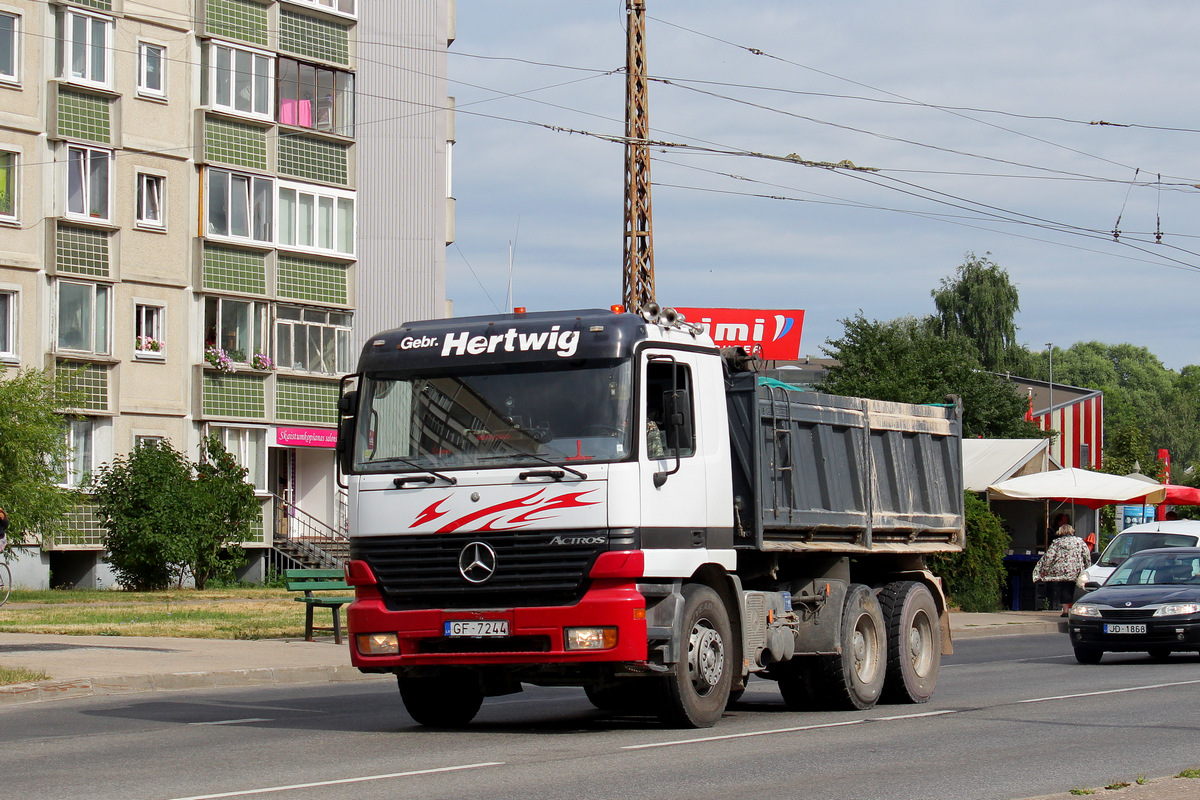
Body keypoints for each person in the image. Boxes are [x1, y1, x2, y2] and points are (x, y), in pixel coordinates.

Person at [1033, 524, 1092, 616]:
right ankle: (1075, 609)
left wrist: (1045, 569)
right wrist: (1087, 567)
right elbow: (1086, 555)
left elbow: (1049, 557)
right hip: (1076, 570)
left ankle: (1065, 611)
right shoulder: (1079, 541)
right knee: (1075, 589)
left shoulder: (1057, 542)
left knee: (1064, 589)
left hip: (1062, 571)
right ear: (1072, 531)